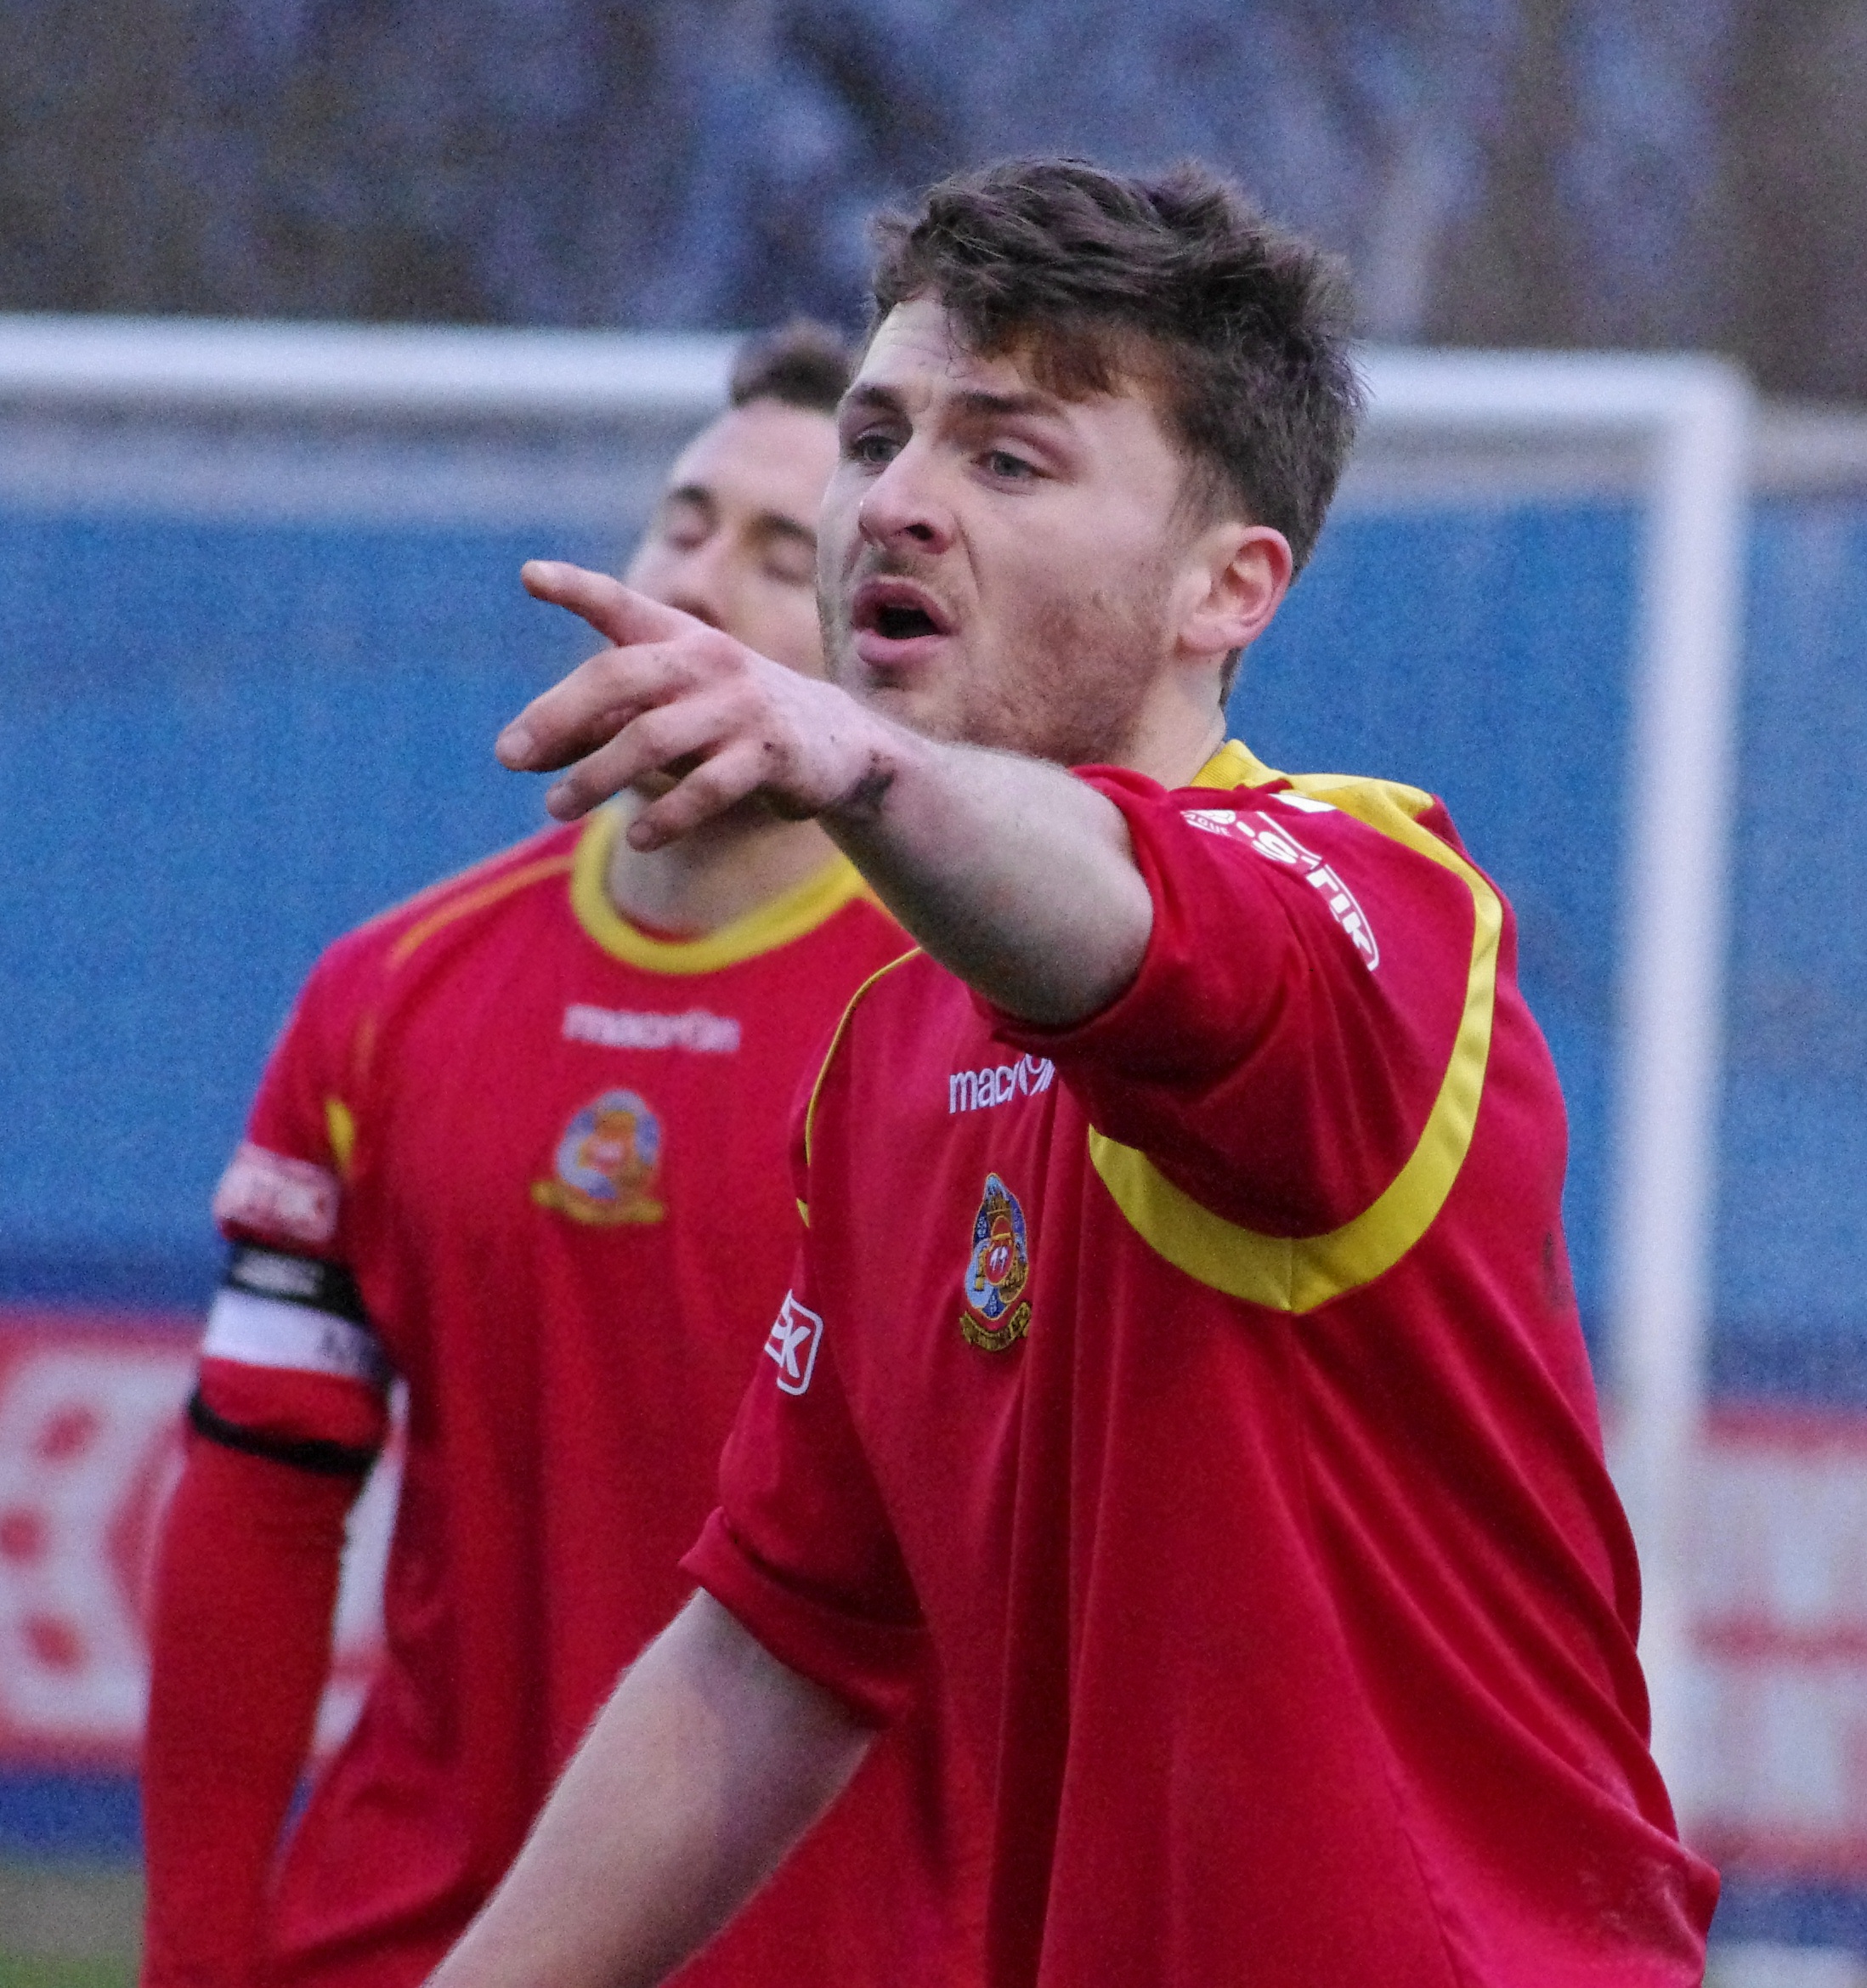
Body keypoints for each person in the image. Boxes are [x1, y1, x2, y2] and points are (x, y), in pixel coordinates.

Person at [431, 158, 1721, 1988]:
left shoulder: (1370, 902)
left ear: (1228, 590)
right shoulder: (889, 1047)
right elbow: (776, 1648)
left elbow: (1134, 916)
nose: (896, 506)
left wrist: (859, 773)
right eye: (879, 438)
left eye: (1008, 457)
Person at [139, 323, 981, 1988]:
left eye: (774, 548)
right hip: (406, 1941)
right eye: (682, 520)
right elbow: (252, 1507)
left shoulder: (973, 1031)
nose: (700, 580)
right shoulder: (388, 997)